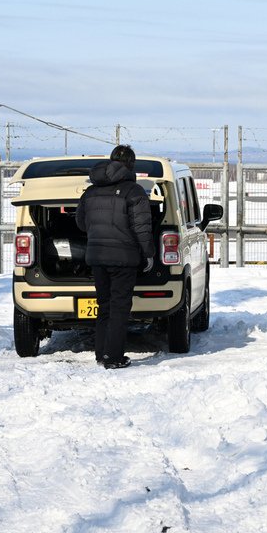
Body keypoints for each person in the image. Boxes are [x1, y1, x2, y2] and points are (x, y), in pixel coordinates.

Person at [75, 145, 155, 369]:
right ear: (131, 165)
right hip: (124, 258)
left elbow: (81, 223)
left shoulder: (90, 192)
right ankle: (114, 357)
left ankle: (101, 354)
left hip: (97, 256)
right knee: (120, 307)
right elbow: (141, 228)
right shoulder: (134, 191)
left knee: (104, 306)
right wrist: (148, 254)